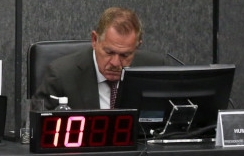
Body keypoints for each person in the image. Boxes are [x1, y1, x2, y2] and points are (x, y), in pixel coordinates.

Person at [34, 7, 165, 110]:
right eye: (109, 52)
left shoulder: (155, 70)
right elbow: (34, 130)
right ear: (95, 40)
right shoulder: (62, 75)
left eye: (124, 55)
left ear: (137, 47)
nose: (115, 63)